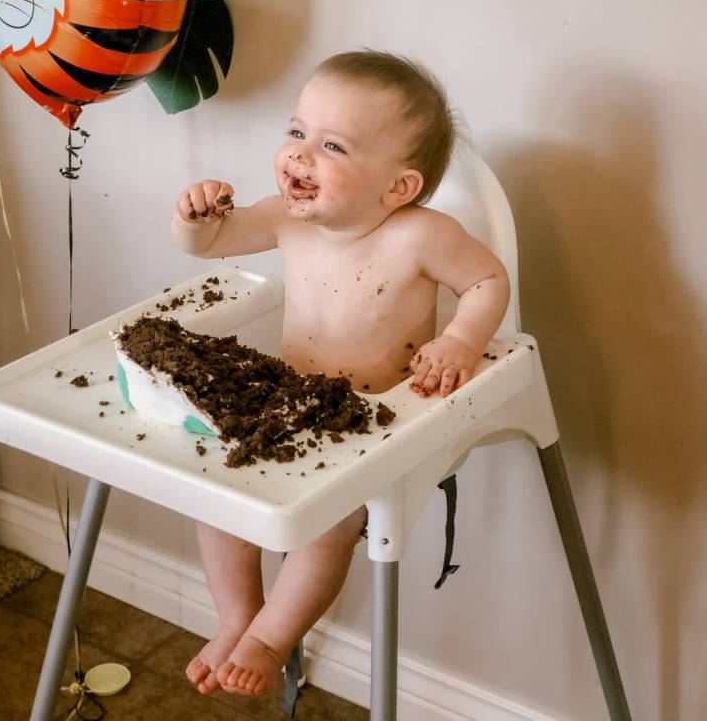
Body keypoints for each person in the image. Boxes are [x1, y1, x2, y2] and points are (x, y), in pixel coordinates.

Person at [171, 50, 510, 699]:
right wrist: (195, 218)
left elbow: (487, 280)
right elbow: (210, 245)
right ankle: (238, 615)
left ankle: (270, 638)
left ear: (398, 188)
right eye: (297, 131)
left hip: (371, 424)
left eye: (332, 146)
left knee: (328, 528)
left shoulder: (421, 235)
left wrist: (461, 340)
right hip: (287, 403)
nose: (300, 154)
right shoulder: (284, 217)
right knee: (215, 494)